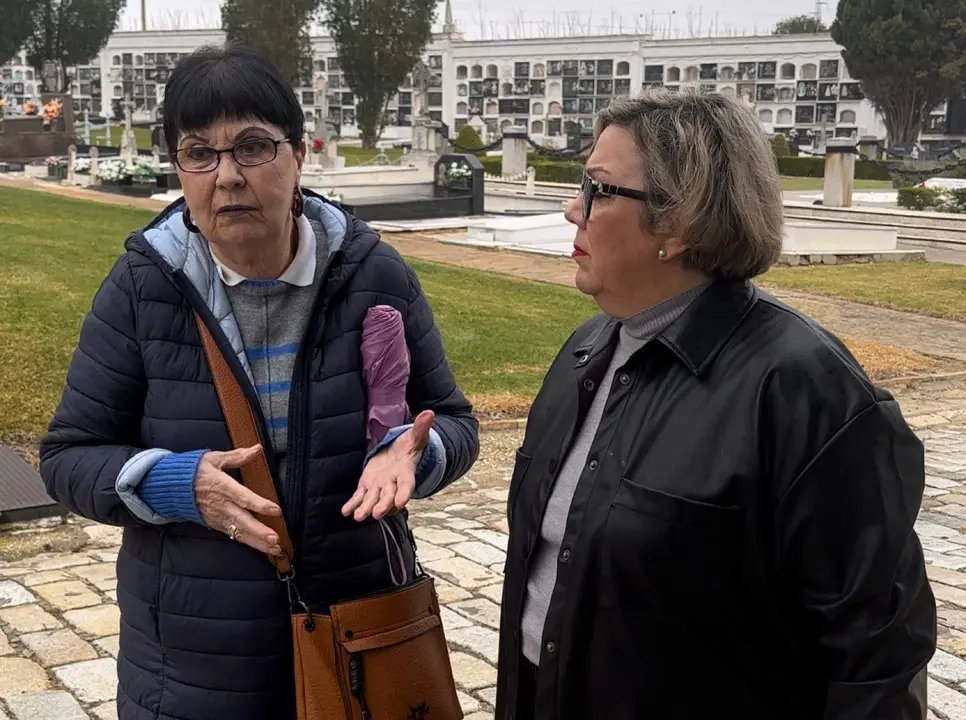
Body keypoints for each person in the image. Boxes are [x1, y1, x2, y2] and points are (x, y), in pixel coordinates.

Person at [39, 44, 479, 720]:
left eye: (252, 147)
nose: (227, 176)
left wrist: (413, 455)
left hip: (356, 636)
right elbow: (69, 456)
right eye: (199, 153)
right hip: (192, 665)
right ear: (178, 168)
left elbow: (451, 420)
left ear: (298, 155)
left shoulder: (372, 277)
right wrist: (175, 484)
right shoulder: (142, 290)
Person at [496, 90, 936, 720]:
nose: (573, 210)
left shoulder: (805, 391)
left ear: (678, 223)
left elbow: (876, 658)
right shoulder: (586, 352)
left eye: (598, 189)